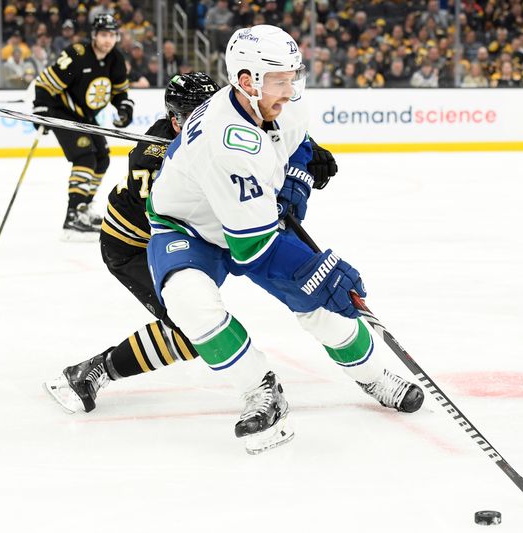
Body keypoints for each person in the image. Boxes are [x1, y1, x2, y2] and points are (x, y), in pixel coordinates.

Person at [137, 25, 425, 454]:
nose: (290, 90)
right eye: (280, 80)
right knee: (190, 302)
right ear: (247, 80)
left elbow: (296, 145)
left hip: (246, 214)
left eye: (294, 76)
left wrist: (295, 184)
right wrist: (319, 273)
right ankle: (260, 389)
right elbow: (253, 249)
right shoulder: (225, 141)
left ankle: (374, 375)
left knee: (320, 313)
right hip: (189, 227)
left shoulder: (282, 104)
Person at [44, 71, 340, 415]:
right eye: (192, 115)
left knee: (193, 326)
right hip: (133, 244)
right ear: (174, 119)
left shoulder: (222, 124)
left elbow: (268, 134)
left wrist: (306, 153)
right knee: (189, 331)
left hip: (186, 238)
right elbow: (219, 203)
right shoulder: (150, 157)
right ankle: (94, 371)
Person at [33, 13, 134, 241]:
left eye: (112, 35)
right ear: (94, 36)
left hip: (86, 117)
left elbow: (120, 93)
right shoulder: (77, 54)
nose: (108, 40)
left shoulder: (115, 59)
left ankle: (84, 208)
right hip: (63, 112)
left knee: (102, 158)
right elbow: (45, 83)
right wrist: (41, 109)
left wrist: (124, 109)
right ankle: (72, 216)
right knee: (85, 158)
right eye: (103, 35)